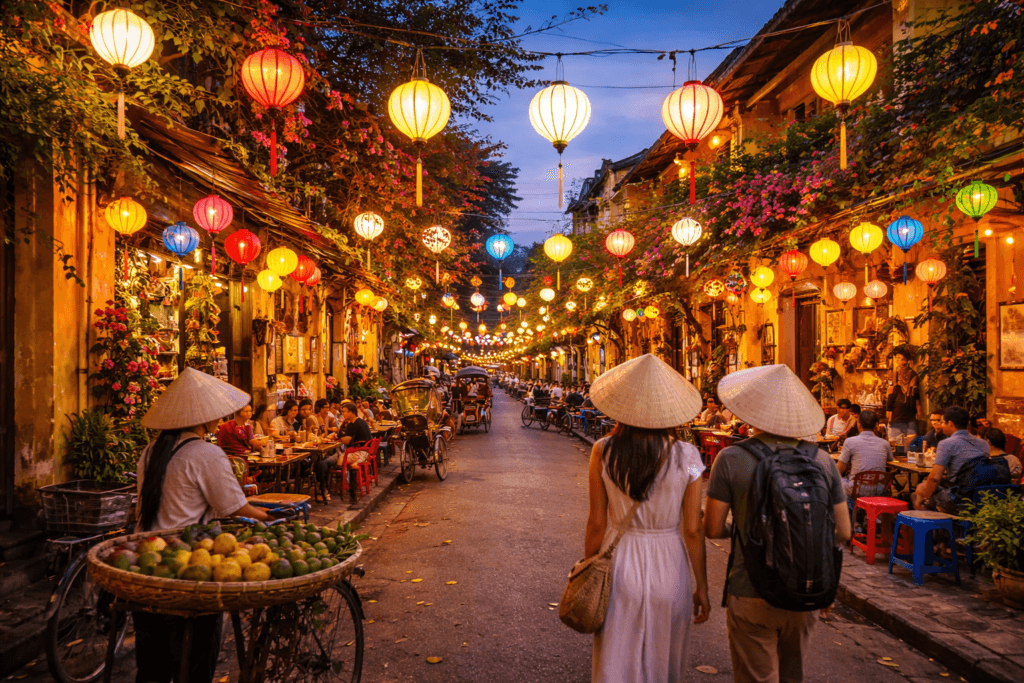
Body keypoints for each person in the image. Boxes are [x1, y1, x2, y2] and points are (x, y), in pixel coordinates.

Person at [705, 364, 851, 683]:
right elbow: (844, 532)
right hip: (805, 589)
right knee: (792, 673)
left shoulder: (730, 459)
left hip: (750, 586)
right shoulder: (822, 461)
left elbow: (713, 528)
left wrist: (745, 529)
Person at [134, 368, 269, 683]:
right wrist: (269, 516)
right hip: (192, 565)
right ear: (204, 417)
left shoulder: (150, 452)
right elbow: (235, 507)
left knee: (152, 665)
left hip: (148, 563)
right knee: (196, 661)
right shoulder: (207, 454)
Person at [585, 355, 709, 682]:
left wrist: (588, 570)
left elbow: (597, 522)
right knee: (663, 658)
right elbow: (693, 529)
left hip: (618, 560)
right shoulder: (690, 456)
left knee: (615, 656)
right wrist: (703, 585)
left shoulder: (602, 449)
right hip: (671, 564)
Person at [912, 406, 990, 513]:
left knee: (917, 496)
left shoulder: (946, 444)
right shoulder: (984, 443)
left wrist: (925, 497)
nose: (942, 425)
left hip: (959, 498)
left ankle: (936, 528)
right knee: (924, 488)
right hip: (982, 496)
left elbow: (934, 478)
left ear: (950, 424)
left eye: (943, 422)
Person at [836, 410, 893, 497]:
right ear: (876, 427)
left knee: (836, 481)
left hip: (857, 489)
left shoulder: (850, 441)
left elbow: (840, 468)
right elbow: (890, 460)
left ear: (859, 425)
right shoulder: (885, 443)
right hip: (879, 490)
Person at [337, 401, 373, 506]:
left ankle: (344, 485)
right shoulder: (360, 422)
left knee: (338, 461)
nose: (343, 414)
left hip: (360, 453)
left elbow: (347, 440)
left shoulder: (354, 424)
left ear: (352, 412)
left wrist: (337, 438)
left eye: (345, 412)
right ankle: (351, 481)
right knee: (341, 458)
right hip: (365, 452)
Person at [886, 347, 921, 440]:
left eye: (901, 358)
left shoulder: (913, 374)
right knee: (896, 443)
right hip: (897, 414)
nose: (898, 360)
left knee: (911, 442)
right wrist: (888, 415)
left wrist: (919, 410)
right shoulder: (896, 372)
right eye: (896, 358)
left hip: (910, 412)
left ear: (907, 360)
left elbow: (916, 394)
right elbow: (891, 395)